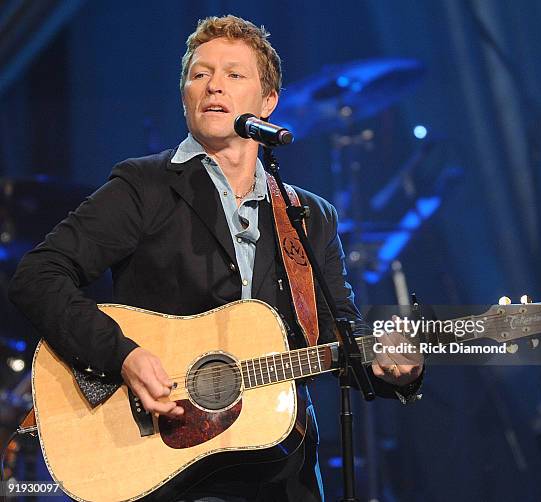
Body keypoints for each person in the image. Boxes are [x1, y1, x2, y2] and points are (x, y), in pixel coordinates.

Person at [9, 15, 423, 502]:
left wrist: (398, 367)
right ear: (184, 93)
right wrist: (122, 355)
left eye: (233, 74)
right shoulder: (145, 186)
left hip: (279, 466)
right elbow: (37, 276)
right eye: (199, 74)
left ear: (267, 102)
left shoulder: (309, 215)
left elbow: (339, 335)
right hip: (170, 465)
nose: (213, 86)